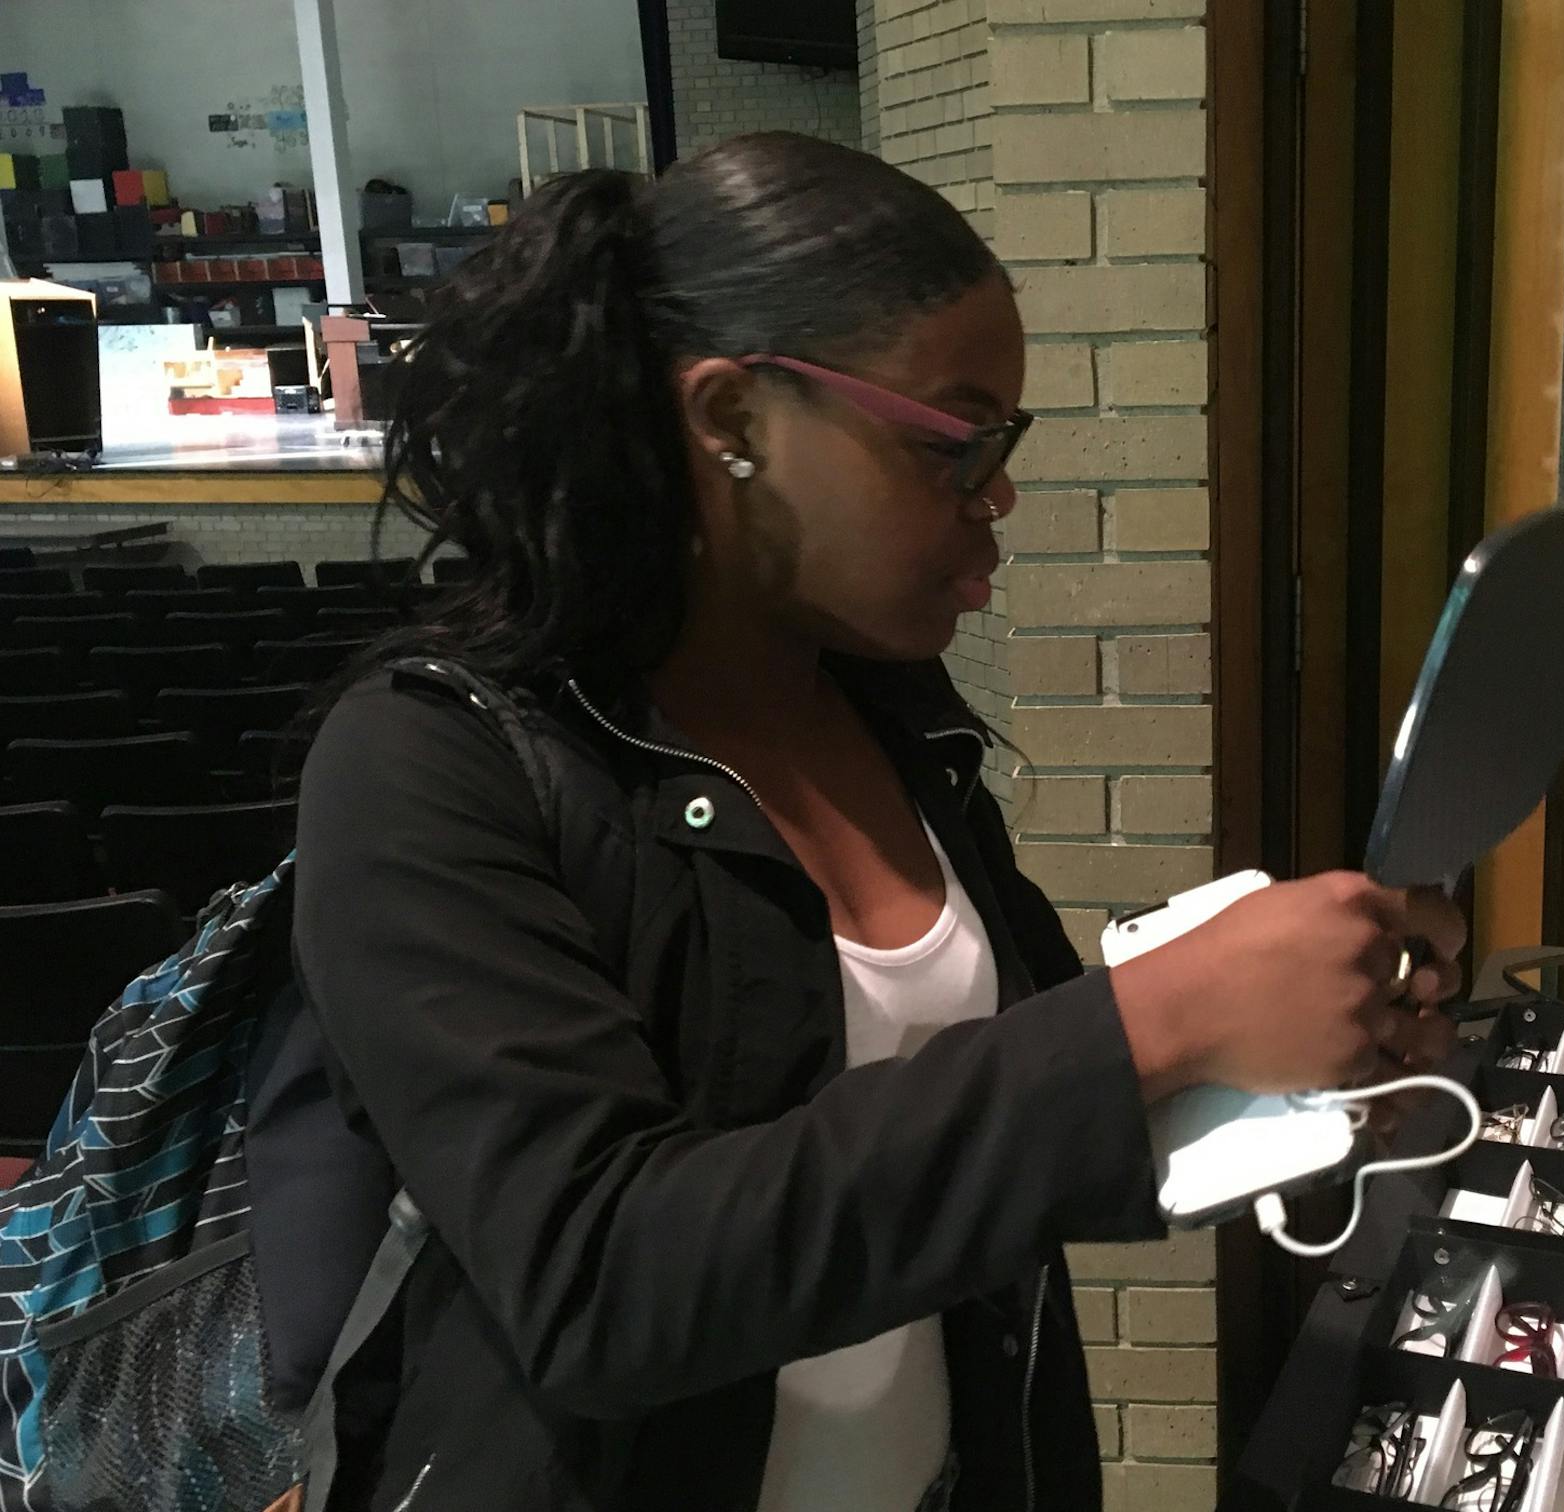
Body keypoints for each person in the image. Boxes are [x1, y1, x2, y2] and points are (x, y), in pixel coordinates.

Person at [285, 131, 1464, 1512]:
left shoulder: (887, 709)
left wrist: (1299, 1053)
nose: (998, 497)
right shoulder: (432, 766)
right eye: (957, 445)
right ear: (730, 418)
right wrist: (1158, 1019)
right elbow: (602, 1280)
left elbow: (989, 1141)